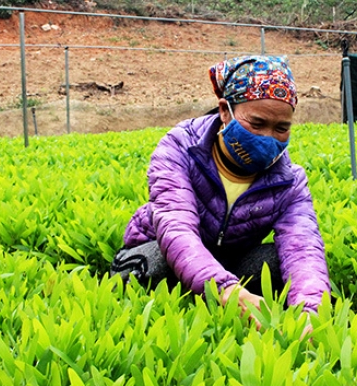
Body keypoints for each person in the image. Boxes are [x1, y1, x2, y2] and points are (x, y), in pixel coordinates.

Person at [110, 55, 330, 331]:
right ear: (225, 111)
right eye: (258, 123)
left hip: (231, 261)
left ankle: (228, 308)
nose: (269, 138)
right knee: (157, 264)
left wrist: (311, 312)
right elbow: (176, 229)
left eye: (281, 128)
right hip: (163, 250)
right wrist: (227, 291)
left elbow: (303, 248)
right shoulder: (180, 149)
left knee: (276, 263)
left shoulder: (289, 181)